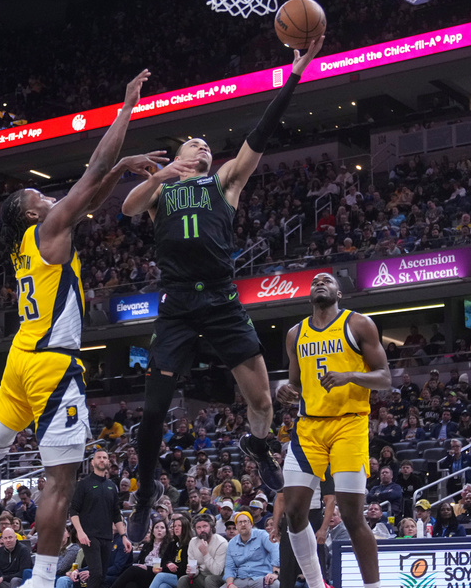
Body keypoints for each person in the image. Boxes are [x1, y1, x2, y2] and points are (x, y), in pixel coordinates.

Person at [0, 71, 161, 588]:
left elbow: (92, 191)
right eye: (38, 197)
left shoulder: (30, 242)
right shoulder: (46, 228)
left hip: (20, 358)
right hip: (50, 364)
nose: (48, 197)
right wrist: (126, 109)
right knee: (61, 482)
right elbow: (93, 171)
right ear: (29, 214)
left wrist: (119, 172)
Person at [120, 37, 325, 543]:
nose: (204, 147)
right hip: (177, 304)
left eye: (208, 145)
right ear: (179, 156)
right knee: (153, 410)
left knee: (263, 403)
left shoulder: (225, 183)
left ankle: (257, 444)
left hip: (220, 298)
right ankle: (145, 493)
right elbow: (127, 207)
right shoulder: (161, 191)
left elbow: (261, 132)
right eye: (195, 144)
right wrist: (162, 173)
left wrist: (294, 74)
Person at [274, 272, 394, 588]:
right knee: (294, 512)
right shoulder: (296, 334)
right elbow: (296, 384)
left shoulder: (358, 324)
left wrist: (350, 376)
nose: (320, 283)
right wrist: (285, 391)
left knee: (353, 515)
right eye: (315, 281)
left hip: (349, 424)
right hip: (309, 426)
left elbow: (385, 377)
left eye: (327, 280)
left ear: (339, 292)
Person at [69, 450, 131, 588]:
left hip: (107, 537)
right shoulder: (84, 484)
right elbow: (73, 511)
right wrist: (80, 532)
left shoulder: (112, 486)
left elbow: (116, 514)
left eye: (105, 457)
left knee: (102, 577)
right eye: (99, 457)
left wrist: (124, 536)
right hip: (89, 536)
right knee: (95, 573)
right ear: (92, 462)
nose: (103, 460)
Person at [212, 511, 280, 588]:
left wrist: (275, 573)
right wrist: (230, 584)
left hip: (260, 578)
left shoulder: (262, 535)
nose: (243, 524)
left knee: (274, 584)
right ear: (236, 526)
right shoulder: (232, 543)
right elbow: (229, 567)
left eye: (245, 521)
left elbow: (275, 550)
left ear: (251, 524)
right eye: (240, 522)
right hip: (241, 579)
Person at [171, 513, 228, 588]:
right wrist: (192, 572)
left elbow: (217, 571)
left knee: (210, 579)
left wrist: (205, 553)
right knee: (184, 580)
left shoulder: (222, 543)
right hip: (201, 577)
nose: (202, 530)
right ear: (195, 529)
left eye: (205, 526)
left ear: (211, 527)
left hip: (220, 579)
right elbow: (194, 565)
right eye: (199, 527)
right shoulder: (193, 542)